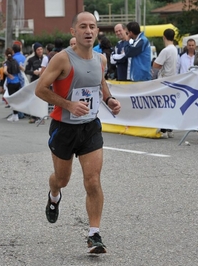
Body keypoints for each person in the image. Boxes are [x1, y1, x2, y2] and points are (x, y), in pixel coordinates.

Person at [35, 11, 121, 254]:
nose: (89, 31)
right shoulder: (62, 59)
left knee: (92, 180)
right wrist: (69, 104)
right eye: (83, 26)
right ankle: (54, 195)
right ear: (73, 31)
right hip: (64, 128)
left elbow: (100, 83)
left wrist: (110, 99)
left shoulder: (101, 59)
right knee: (62, 179)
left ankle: (94, 235)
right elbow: (40, 89)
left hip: (90, 128)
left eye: (92, 26)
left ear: (97, 31)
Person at [152, 28, 179, 139]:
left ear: (164, 37)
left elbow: (156, 65)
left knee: (162, 105)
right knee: (169, 105)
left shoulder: (166, 50)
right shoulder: (175, 49)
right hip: (172, 78)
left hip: (164, 79)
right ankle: (170, 128)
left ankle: (163, 129)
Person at [25, 42, 46, 123]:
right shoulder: (31, 60)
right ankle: (33, 116)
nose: (40, 51)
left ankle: (42, 116)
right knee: (34, 98)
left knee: (42, 99)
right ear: (35, 51)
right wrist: (33, 72)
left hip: (43, 81)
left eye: (41, 49)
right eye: (38, 50)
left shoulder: (45, 58)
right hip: (34, 81)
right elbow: (26, 70)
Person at [3, 47, 23, 122]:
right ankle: (16, 114)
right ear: (13, 53)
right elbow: (21, 68)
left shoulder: (6, 62)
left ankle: (15, 115)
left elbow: (5, 71)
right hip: (17, 82)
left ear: (5, 54)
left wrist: (9, 75)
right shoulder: (16, 61)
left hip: (11, 82)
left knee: (12, 99)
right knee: (16, 98)